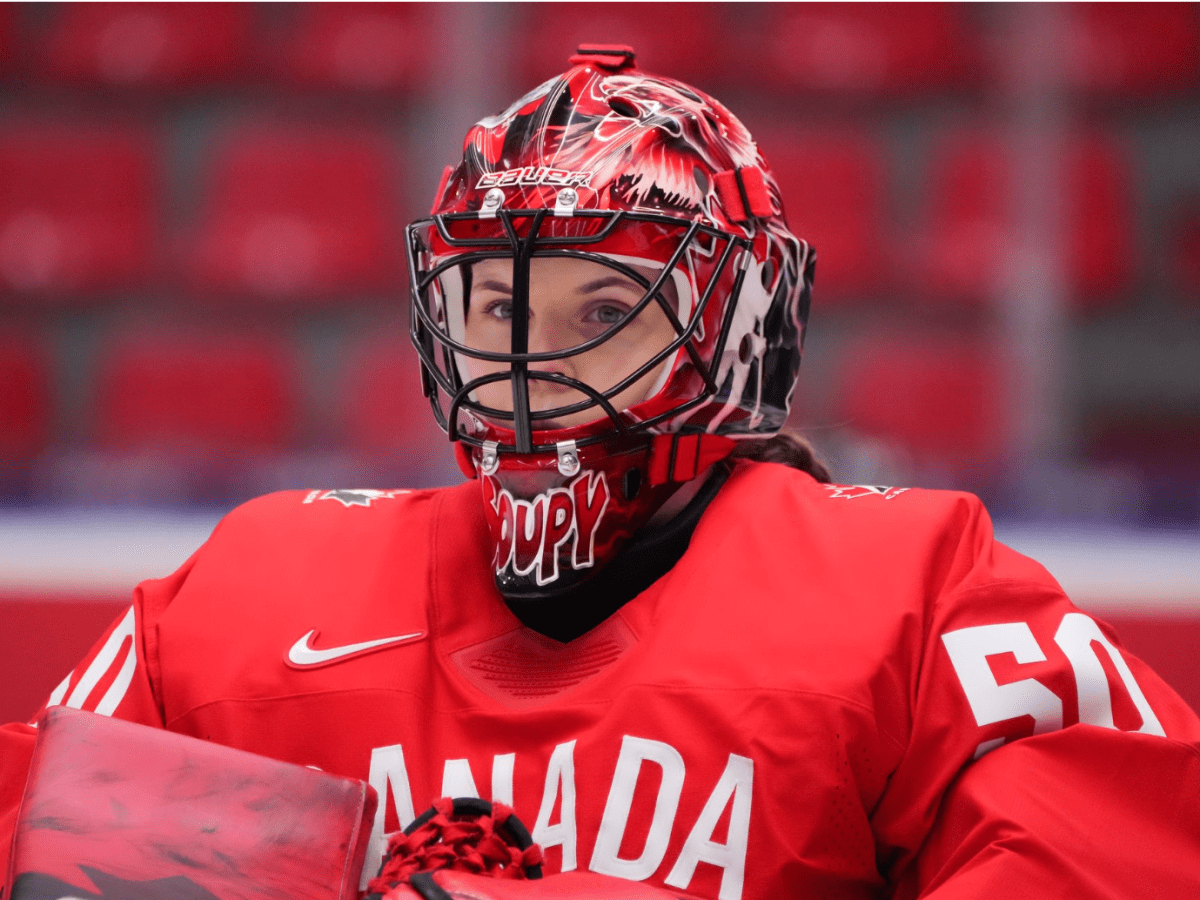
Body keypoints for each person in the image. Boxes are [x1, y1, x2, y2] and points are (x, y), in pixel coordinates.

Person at [3, 45, 1199, 900]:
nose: (527, 366)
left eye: (604, 308)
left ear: (733, 332)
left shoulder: (916, 585)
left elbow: (1134, 849)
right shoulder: (251, 590)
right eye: (493, 307)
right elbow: (39, 832)